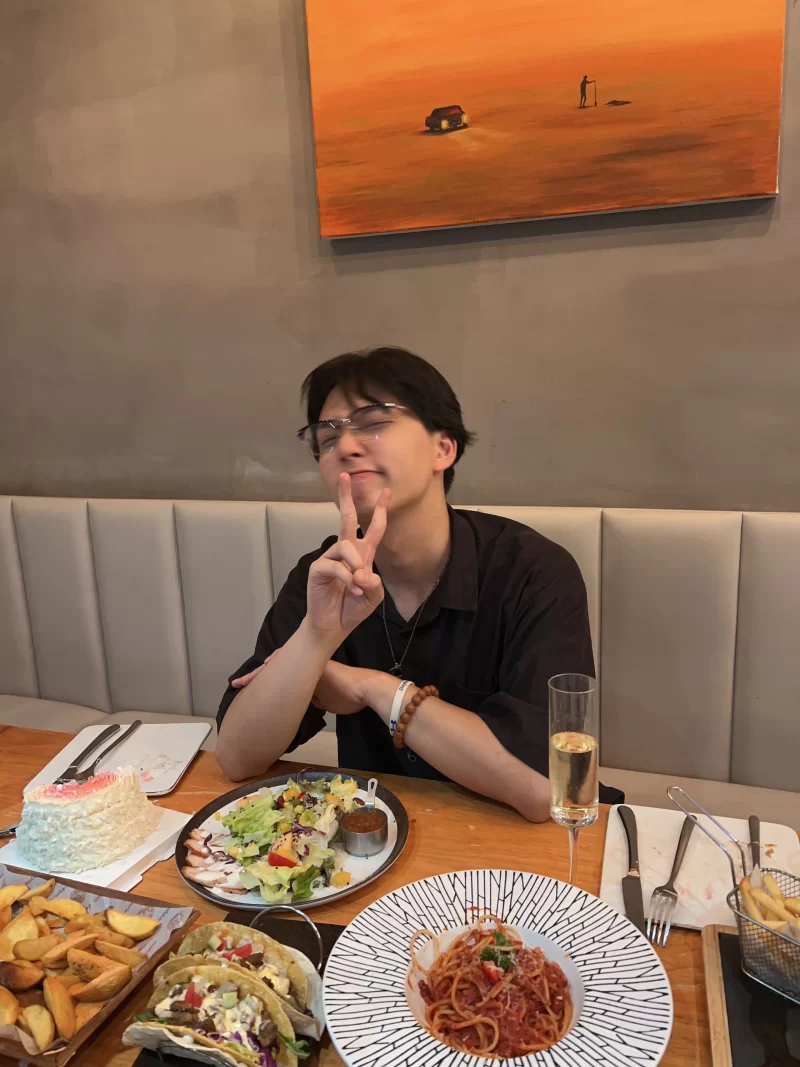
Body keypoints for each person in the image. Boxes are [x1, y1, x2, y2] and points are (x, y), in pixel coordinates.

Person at [216, 347, 621, 821]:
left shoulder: (532, 571)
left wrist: (372, 688)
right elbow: (237, 757)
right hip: (374, 836)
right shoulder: (325, 576)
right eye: (328, 437)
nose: (345, 447)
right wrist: (314, 639)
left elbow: (545, 789)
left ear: (443, 448)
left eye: (373, 422)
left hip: (513, 838)